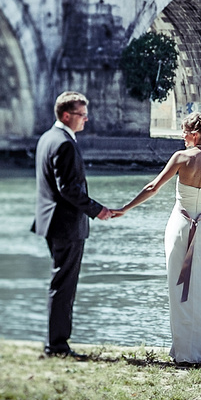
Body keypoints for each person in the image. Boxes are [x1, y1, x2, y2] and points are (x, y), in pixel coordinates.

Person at [118, 112, 201, 363]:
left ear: (195, 133)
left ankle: (185, 352)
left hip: (180, 226)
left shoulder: (181, 157)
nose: (182, 137)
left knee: (179, 288)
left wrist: (124, 208)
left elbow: (153, 187)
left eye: (184, 132)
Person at [32, 91, 122, 358]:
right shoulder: (64, 144)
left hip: (52, 222)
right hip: (66, 225)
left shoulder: (48, 138)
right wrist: (99, 211)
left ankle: (56, 343)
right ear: (67, 115)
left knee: (60, 283)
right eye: (82, 115)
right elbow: (68, 190)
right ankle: (57, 346)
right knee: (63, 286)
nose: (86, 119)